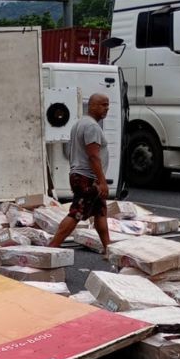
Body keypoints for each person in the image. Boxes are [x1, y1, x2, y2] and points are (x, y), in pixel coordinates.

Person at [48, 92, 112, 256]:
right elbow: (93, 156)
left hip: (85, 177)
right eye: (103, 105)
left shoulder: (80, 123)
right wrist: (102, 181)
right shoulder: (92, 127)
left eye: (108, 105)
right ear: (92, 106)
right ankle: (52, 247)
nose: (107, 108)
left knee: (100, 212)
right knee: (77, 212)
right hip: (87, 178)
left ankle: (109, 250)